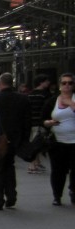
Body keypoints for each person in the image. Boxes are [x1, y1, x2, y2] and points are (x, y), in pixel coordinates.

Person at [0, 72, 31, 210]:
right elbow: (27, 121)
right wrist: (24, 138)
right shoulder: (23, 99)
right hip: (16, 138)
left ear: (0, 83)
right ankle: (11, 195)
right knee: (9, 166)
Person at [41, 72, 75, 206]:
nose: (67, 85)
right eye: (64, 83)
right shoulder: (52, 101)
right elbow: (42, 119)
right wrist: (48, 123)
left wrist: (71, 104)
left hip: (74, 142)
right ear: (59, 85)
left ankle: (73, 191)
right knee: (58, 170)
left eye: (70, 83)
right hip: (57, 142)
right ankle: (57, 195)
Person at [25, 74, 52, 174]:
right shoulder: (45, 95)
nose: (48, 82)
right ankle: (32, 165)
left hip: (31, 122)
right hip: (40, 123)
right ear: (41, 82)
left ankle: (36, 162)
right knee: (37, 144)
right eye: (46, 81)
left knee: (34, 142)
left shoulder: (30, 95)